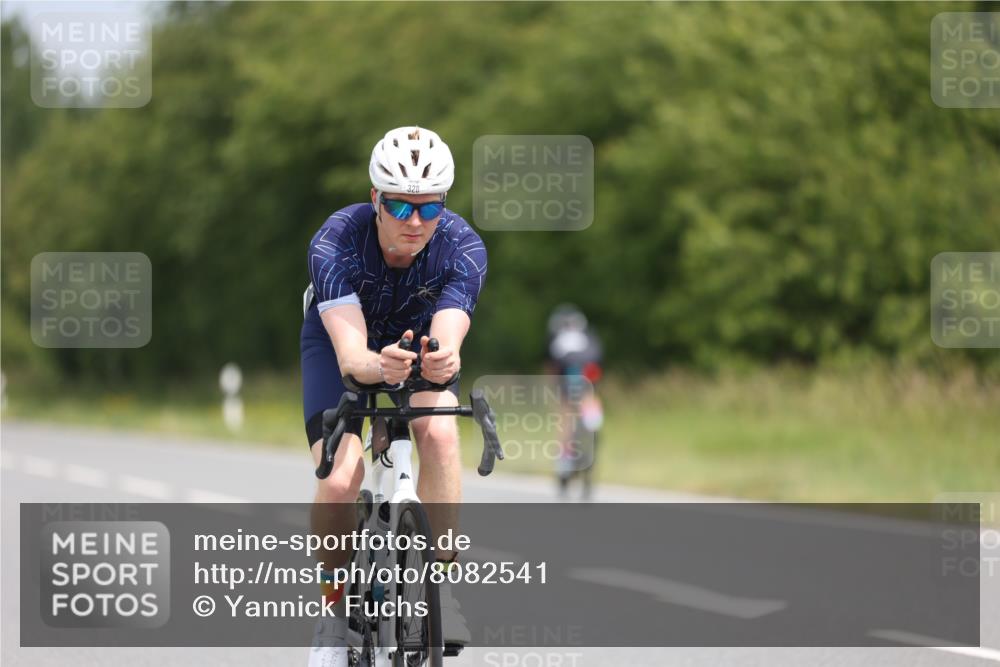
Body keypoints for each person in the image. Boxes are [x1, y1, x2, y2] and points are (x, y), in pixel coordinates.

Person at [301, 126, 486, 666]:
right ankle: (334, 610)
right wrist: (374, 367)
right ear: (376, 199)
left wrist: (445, 357)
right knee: (338, 480)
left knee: (442, 433)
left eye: (428, 209)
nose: (414, 222)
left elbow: (449, 333)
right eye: (401, 207)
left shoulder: (463, 246)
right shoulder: (335, 241)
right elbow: (353, 356)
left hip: (417, 339)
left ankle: (442, 589)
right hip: (345, 342)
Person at [546, 304, 603, 500]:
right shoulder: (588, 336)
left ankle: (563, 464)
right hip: (587, 385)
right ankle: (594, 428)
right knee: (590, 404)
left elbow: (553, 373)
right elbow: (597, 367)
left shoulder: (556, 338)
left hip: (568, 387)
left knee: (564, 423)